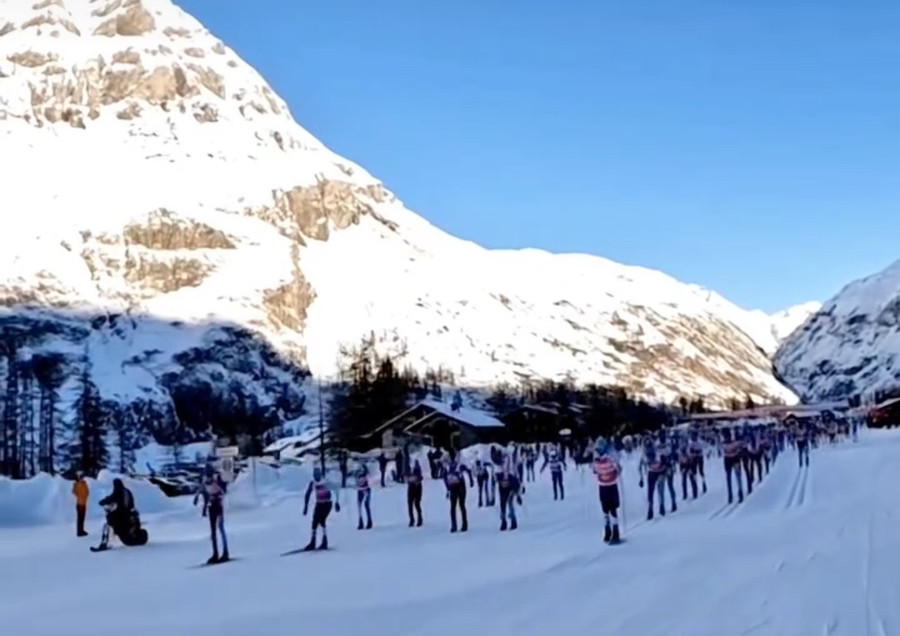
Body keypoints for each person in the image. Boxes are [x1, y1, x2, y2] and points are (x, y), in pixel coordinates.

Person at [302, 467, 340, 550]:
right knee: (316, 522)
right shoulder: (313, 483)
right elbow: (307, 494)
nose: (316, 477)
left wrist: (337, 502)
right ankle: (316, 541)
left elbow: (336, 489)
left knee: (320, 520)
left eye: (317, 475)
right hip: (319, 504)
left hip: (327, 504)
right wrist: (305, 506)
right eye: (315, 475)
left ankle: (320, 542)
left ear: (320, 475)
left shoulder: (326, 482)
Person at [593, 437, 622, 543]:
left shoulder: (610, 456)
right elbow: (595, 470)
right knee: (606, 510)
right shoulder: (597, 457)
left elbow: (617, 468)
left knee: (611, 509)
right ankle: (609, 530)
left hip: (609, 485)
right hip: (604, 486)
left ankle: (614, 531)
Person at [199, 465, 229, 564]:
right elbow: (205, 495)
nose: (208, 477)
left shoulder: (217, 479)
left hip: (218, 505)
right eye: (207, 475)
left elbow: (224, 489)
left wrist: (220, 493)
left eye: (210, 475)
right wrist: (204, 509)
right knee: (213, 532)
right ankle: (215, 553)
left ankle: (225, 552)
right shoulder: (204, 481)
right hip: (212, 506)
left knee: (221, 528)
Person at [355, 462, 373, 530]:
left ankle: (369, 521)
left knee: (366, 505)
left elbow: (369, 479)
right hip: (360, 490)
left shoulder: (365, 473)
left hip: (365, 490)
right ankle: (361, 522)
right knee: (360, 506)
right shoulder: (357, 472)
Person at [72, 471, 89, 537]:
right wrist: (79, 497)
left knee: (82, 518)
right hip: (79, 504)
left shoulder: (84, 483)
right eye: (81, 477)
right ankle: (79, 532)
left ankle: (82, 530)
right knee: (80, 518)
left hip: (84, 503)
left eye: (82, 477)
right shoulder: (77, 484)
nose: (82, 478)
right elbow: (73, 492)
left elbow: (87, 492)